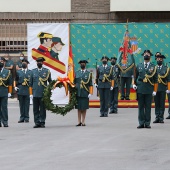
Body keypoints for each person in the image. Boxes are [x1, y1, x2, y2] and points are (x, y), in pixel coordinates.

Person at [133, 50, 158, 129]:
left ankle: (147, 123)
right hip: (140, 88)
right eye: (145, 54)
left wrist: (155, 90)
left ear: (150, 56)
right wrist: (134, 84)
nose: (146, 55)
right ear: (143, 56)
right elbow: (135, 76)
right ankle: (141, 122)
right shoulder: (139, 65)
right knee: (140, 107)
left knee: (148, 107)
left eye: (148, 54)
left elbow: (156, 79)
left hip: (149, 89)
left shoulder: (153, 67)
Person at [30, 57, 52, 128]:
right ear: (36, 63)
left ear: (43, 63)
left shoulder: (46, 71)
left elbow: (50, 82)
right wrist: (31, 94)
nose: (39, 63)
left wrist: (49, 91)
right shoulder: (33, 71)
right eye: (38, 62)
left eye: (40, 62)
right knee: (35, 109)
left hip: (43, 93)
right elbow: (30, 84)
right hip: (35, 93)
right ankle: (37, 122)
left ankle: (42, 122)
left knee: (42, 109)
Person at [74, 60, 93, 126]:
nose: (82, 65)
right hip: (78, 92)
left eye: (83, 64)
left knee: (84, 108)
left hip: (85, 92)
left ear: (85, 65)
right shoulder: (77, 73)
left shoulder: (88, 73)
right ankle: (79, 121)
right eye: (81, 64)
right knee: (79, 108)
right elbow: (74, 83)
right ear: (80, 65)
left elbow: (91, 84)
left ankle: (83, 121)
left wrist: (90, 92)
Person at [153, 54, 170, 123]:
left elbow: (168, 79)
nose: (159, 60)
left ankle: (161, 117)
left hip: (163, 88)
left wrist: (168, 88)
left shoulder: (166, 68)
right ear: (156, 60)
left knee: (162, 103)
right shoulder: (154, 68)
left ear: (162, 60)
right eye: (158, 59)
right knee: (156, 103)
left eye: (160, 59)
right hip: (156, 89)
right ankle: (157, 117)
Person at [0, 57, 12, 127]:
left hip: (4, 91)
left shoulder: (7, 72)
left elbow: (10, 83)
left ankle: (5, 121)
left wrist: (9, 92)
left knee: (4, 107)